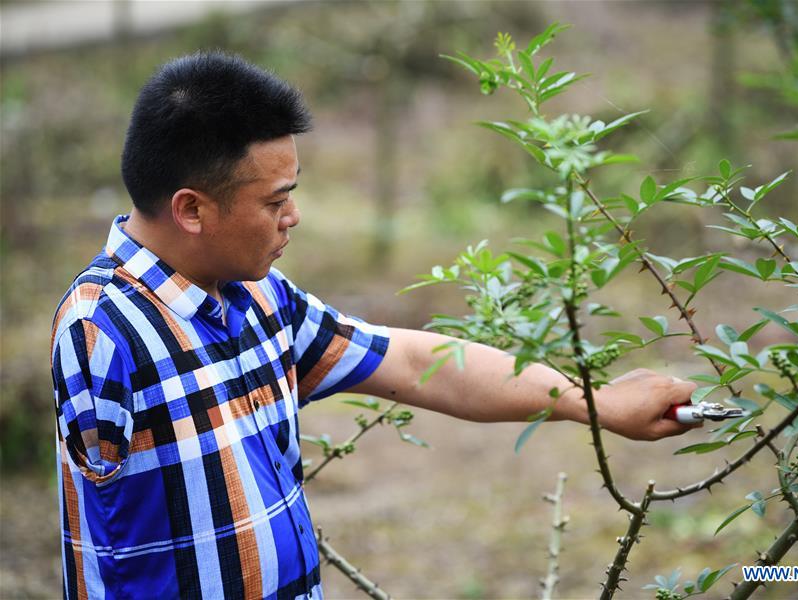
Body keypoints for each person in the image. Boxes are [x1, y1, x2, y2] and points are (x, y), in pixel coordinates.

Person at [50, 51, 699, 600]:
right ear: (191, 209)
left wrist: (598, 404)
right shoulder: (102, 330)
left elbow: (418, 364)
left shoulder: (260, 299)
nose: (293, 217)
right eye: (275, 201)